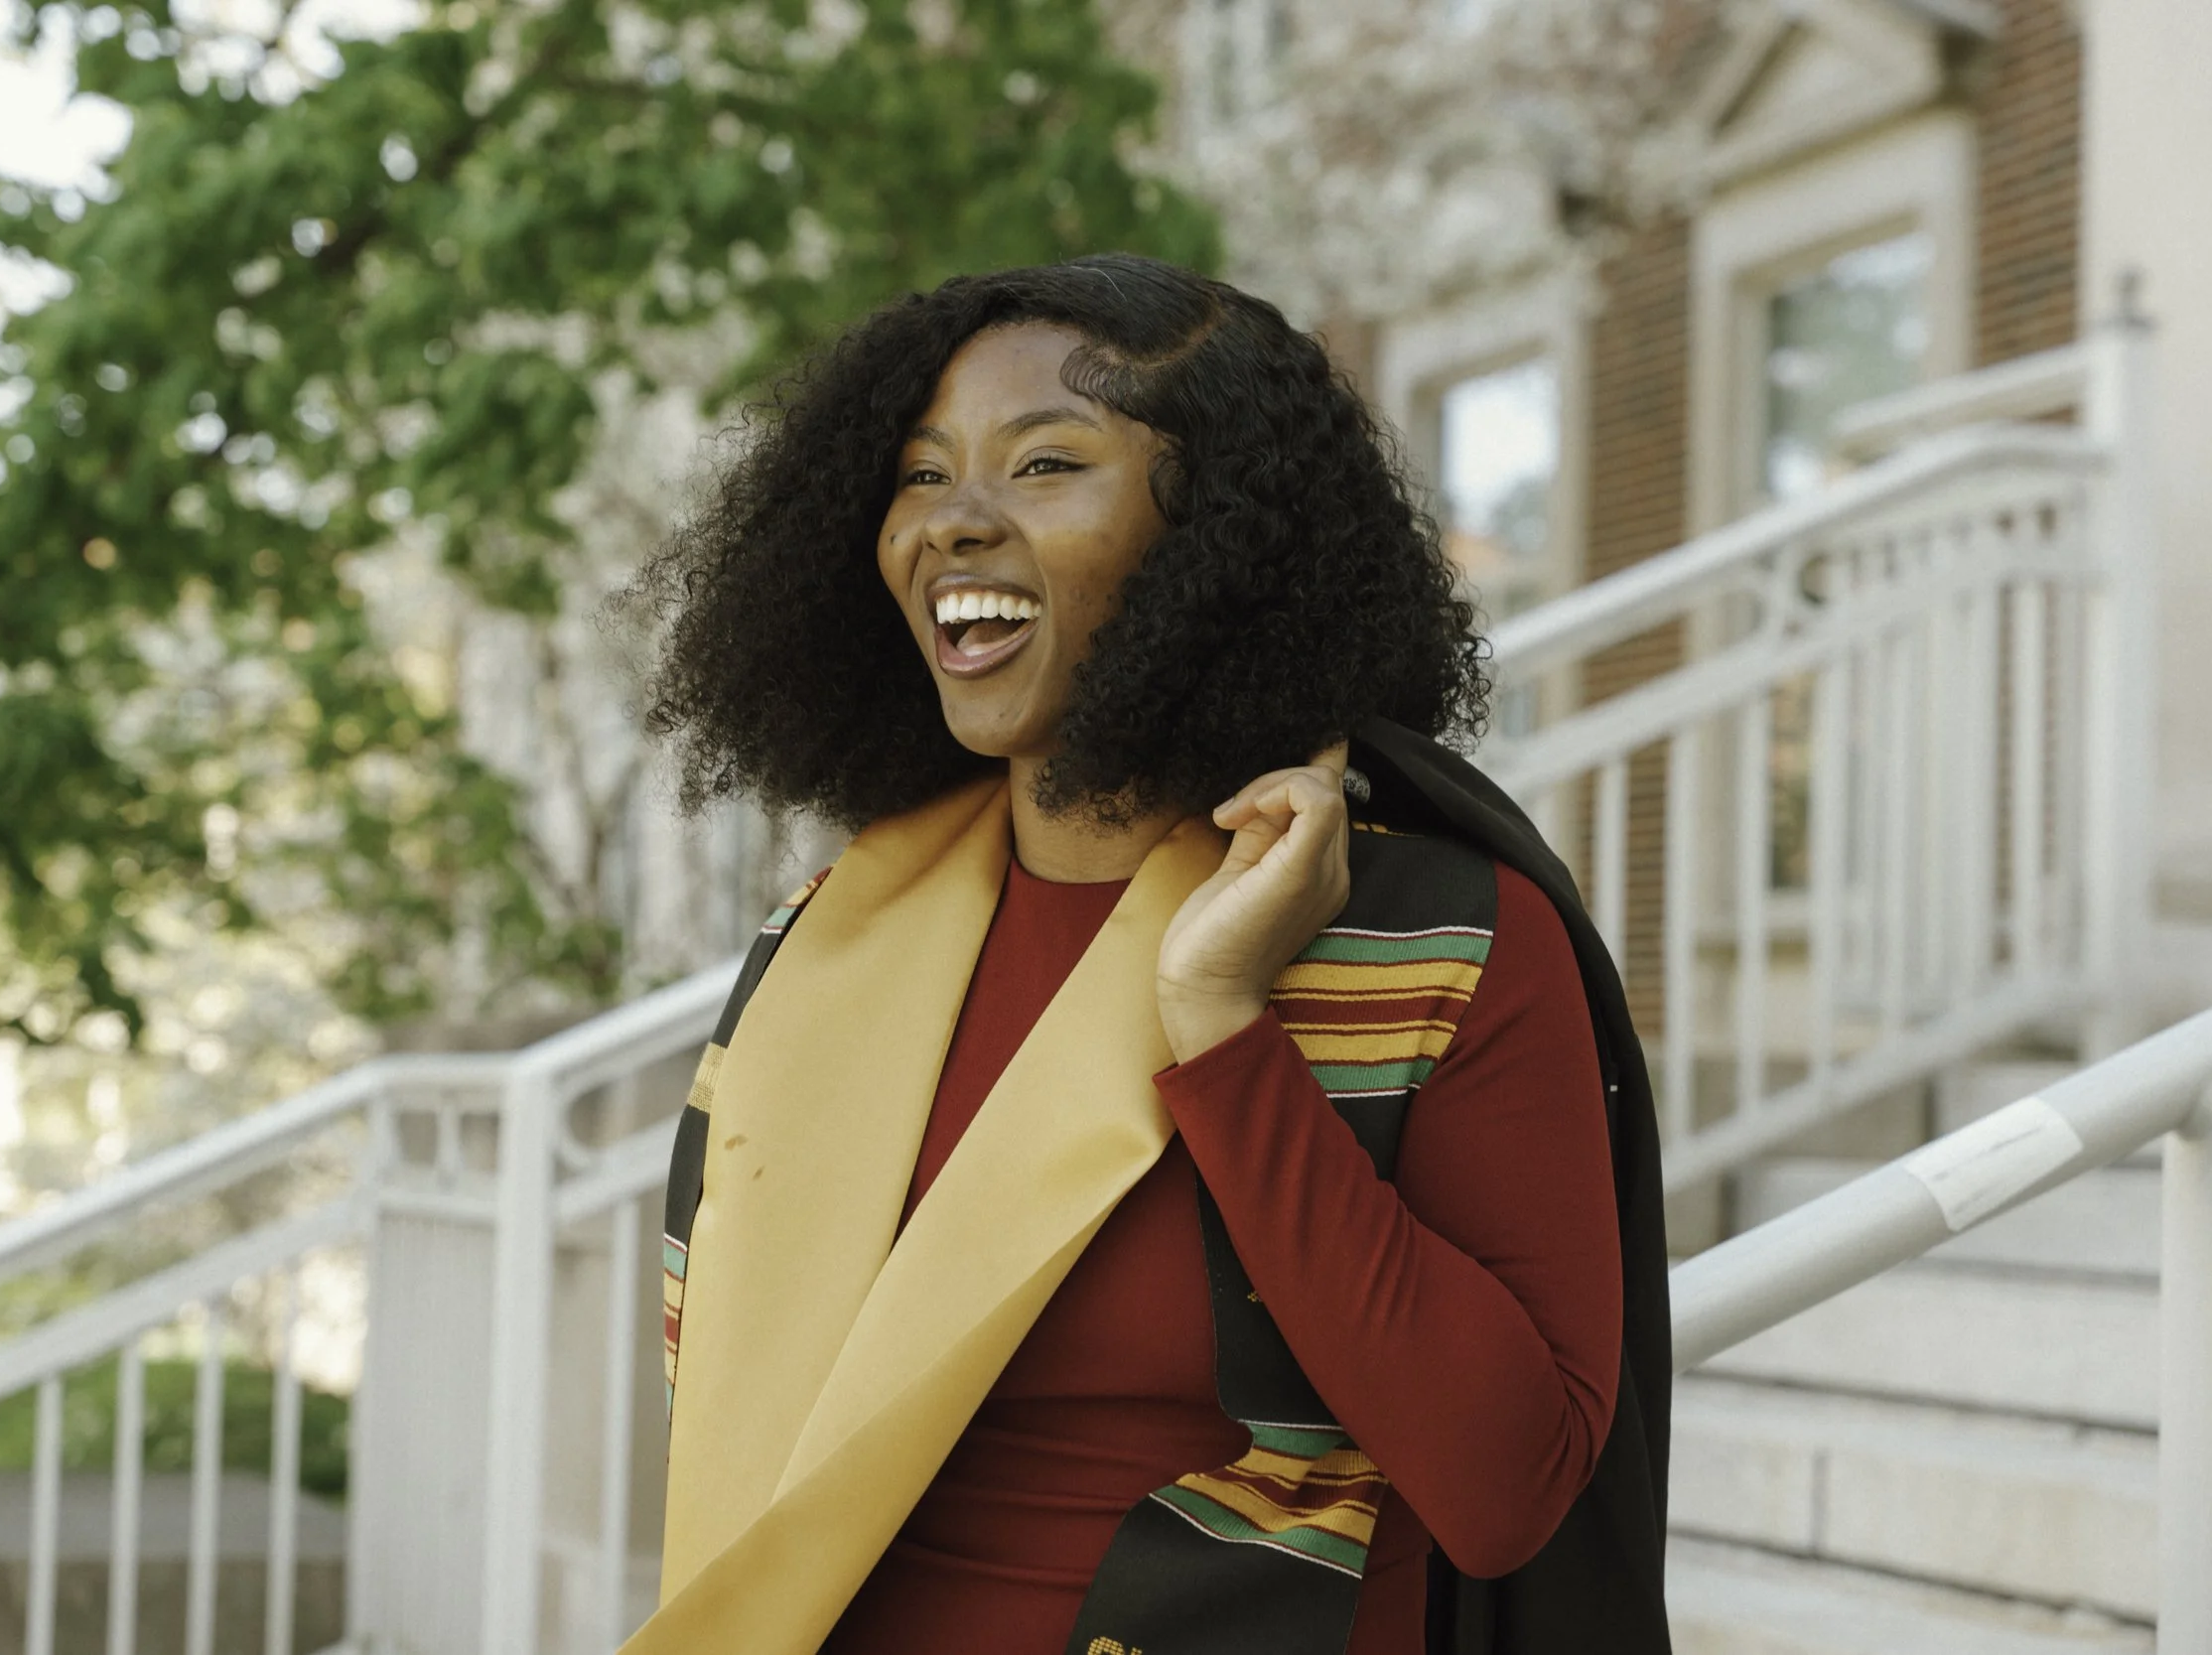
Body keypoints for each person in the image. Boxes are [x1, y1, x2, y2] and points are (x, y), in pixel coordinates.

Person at [622, 255, 1670, 1655]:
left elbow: (1509, 1488)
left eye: (1046, 464)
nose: (953, 522)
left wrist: (1224, 1028)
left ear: (1216, 535)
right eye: (923, 475)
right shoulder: (827, 944)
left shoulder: (1442, 940)